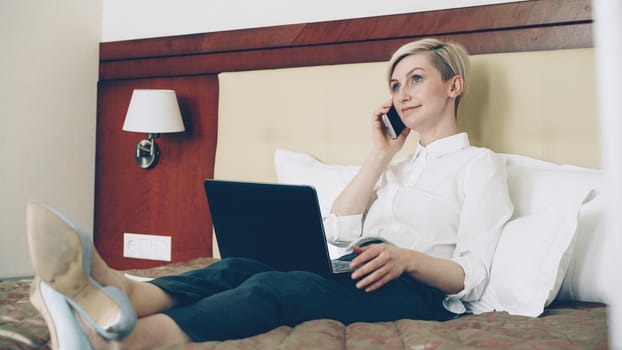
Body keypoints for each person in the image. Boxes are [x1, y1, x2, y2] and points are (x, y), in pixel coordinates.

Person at [26, 38, 513, 349]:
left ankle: (132, 341)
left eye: (416, 79)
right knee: (237, 267)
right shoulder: (397, 166)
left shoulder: (480, 166)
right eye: (394, 83)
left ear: (454, 86)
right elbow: (341, 228)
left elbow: (473, 276)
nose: (402, 92)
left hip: (417, 296)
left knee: (276, 288)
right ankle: (120, 290)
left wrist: (406, 260)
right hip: (354, 272)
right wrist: (380, 156)